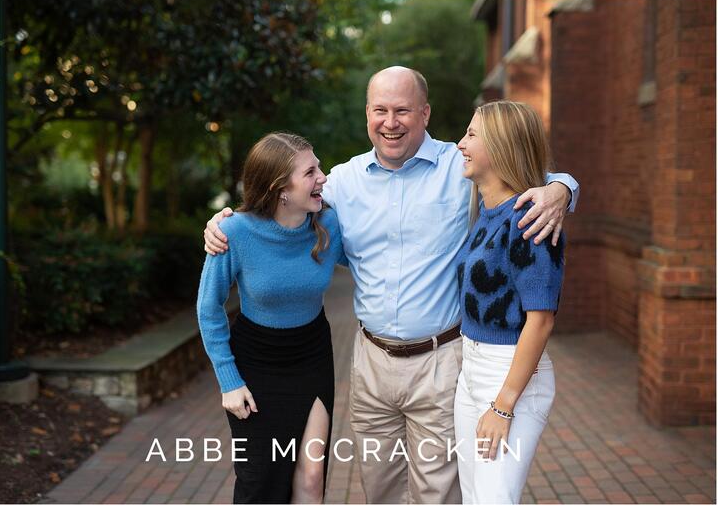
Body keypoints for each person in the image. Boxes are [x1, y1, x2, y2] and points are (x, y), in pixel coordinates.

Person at [203, 66, 579, 504]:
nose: (390, 122)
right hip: (371, 363)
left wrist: (562, 190)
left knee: (437, 494)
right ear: (367, 114)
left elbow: (522, 171)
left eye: (402, 110)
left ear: (425, 113)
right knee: (378, 490)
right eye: (380, 110)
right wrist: (223, 223)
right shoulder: (341, 182)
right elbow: (279, 206)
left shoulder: (460, 168)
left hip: (441, 361)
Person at [196, 132, 345, 504]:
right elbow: (209, 308)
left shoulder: (329, 224)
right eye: (310, 172)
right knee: (260, 484)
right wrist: (229, 380)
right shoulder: (233, 232)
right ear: (280, 189)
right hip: (256, 365)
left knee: (312, 475)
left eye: (319, 167)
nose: (322, 177)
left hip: (312, 356)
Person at [454, 101, 564, 503]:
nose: (460, 144)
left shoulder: (530, 218)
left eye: (471, 135)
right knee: (474, 496)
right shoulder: (488, 212)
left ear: (501, 146)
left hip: (509, 374)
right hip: (471, 369)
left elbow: (541, 320)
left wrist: (503, 406)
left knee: (494, 498)